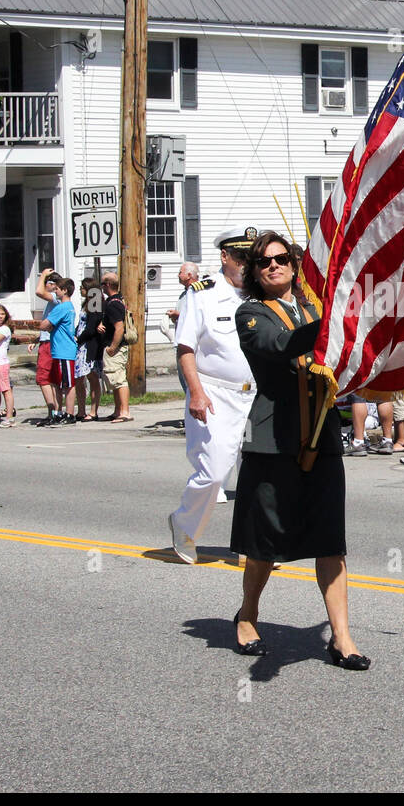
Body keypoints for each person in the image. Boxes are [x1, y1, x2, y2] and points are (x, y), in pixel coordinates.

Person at [231, 231, 369, 670]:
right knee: (265, 543)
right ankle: (248, 614)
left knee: (331, 540)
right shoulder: (251, 313)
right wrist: (332, 323)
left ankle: (341, 636)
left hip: (323, 434)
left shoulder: (314, 307)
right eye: (263, 262)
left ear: (294, 263)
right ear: (254, 271)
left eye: (281, 258)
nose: (273, 265)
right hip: (276, 441)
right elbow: (279, 346)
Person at [167, 227, 258, 563]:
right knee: (215, 472)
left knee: (258, 474)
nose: (247, 265)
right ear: (225, 257)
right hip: (214, 395)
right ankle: (185, 525)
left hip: (255, 397)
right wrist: (195, 393)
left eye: (252, 258)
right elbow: (185, 347)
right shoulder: (201, 294)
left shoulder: (260, 294)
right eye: (240, 257)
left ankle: (252, 545)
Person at [39, 277, 79, 424]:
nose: (55, 291)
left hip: (65, 350)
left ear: (65, 290)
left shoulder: (62, 307)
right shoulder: (67, 307)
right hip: (58, 350)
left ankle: (69, 413)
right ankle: (58, 412)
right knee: (56, 383)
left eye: (57, 289)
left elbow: (44, 325)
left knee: (68, 384)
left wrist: (48, 324)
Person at [167, 261, 204, 396]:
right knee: (183, 377)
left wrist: (179, 315)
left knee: (192, 377)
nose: (178, 275)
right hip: (181, 340)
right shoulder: (184, 294)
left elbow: (198, 316)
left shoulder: (199, 292)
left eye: (180, 272)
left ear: (189, 275)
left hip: (193, 344)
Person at [100, 271, 131, 422]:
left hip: (117, 348)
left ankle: (125, 412)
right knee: (113, 379)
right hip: (116, 347)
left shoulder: (113, 304)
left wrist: (113, 347)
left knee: (119, 380)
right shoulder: (119, 300)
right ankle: (118, 410)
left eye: (102, 284)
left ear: (107, 285)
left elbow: (119, 328)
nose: (101, 288)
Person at [32, 268, 62, 425]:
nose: (45, 286)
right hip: (47, 340)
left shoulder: (56, 298)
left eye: (47, 283)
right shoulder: (54, 302)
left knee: (44, 378)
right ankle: (57, 411)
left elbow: (38, 292)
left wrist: (42, 275)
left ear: (53, 285)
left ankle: (53, 411)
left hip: (49, 344)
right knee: (53, 379)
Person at [74, 278, 104, 421]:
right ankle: (80, 410)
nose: (80, 289)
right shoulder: (86, 303)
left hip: (89, 346)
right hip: (80, 345)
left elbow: (91, 328)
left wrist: (79, 339)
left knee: (92, 377)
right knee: (79, 378)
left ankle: (93, 411)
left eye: (83, 287)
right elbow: (81, 324)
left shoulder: (95, 303)